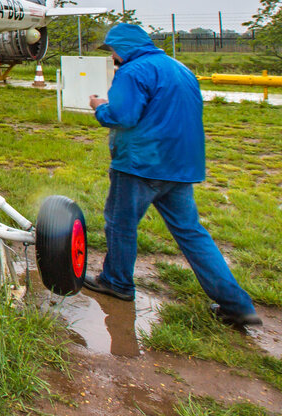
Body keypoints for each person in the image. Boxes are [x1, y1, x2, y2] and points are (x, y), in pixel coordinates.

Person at [85, 23, 262, 327]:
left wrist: (100, 107)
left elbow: (123, 116)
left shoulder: (133, 71)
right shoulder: (180, 69)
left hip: (141, 165)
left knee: (120, 224)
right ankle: (237, 304)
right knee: (191, 233)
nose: (112, 55)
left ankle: (117, 282)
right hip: (180, 166)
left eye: (113, 50)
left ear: (123, 48)